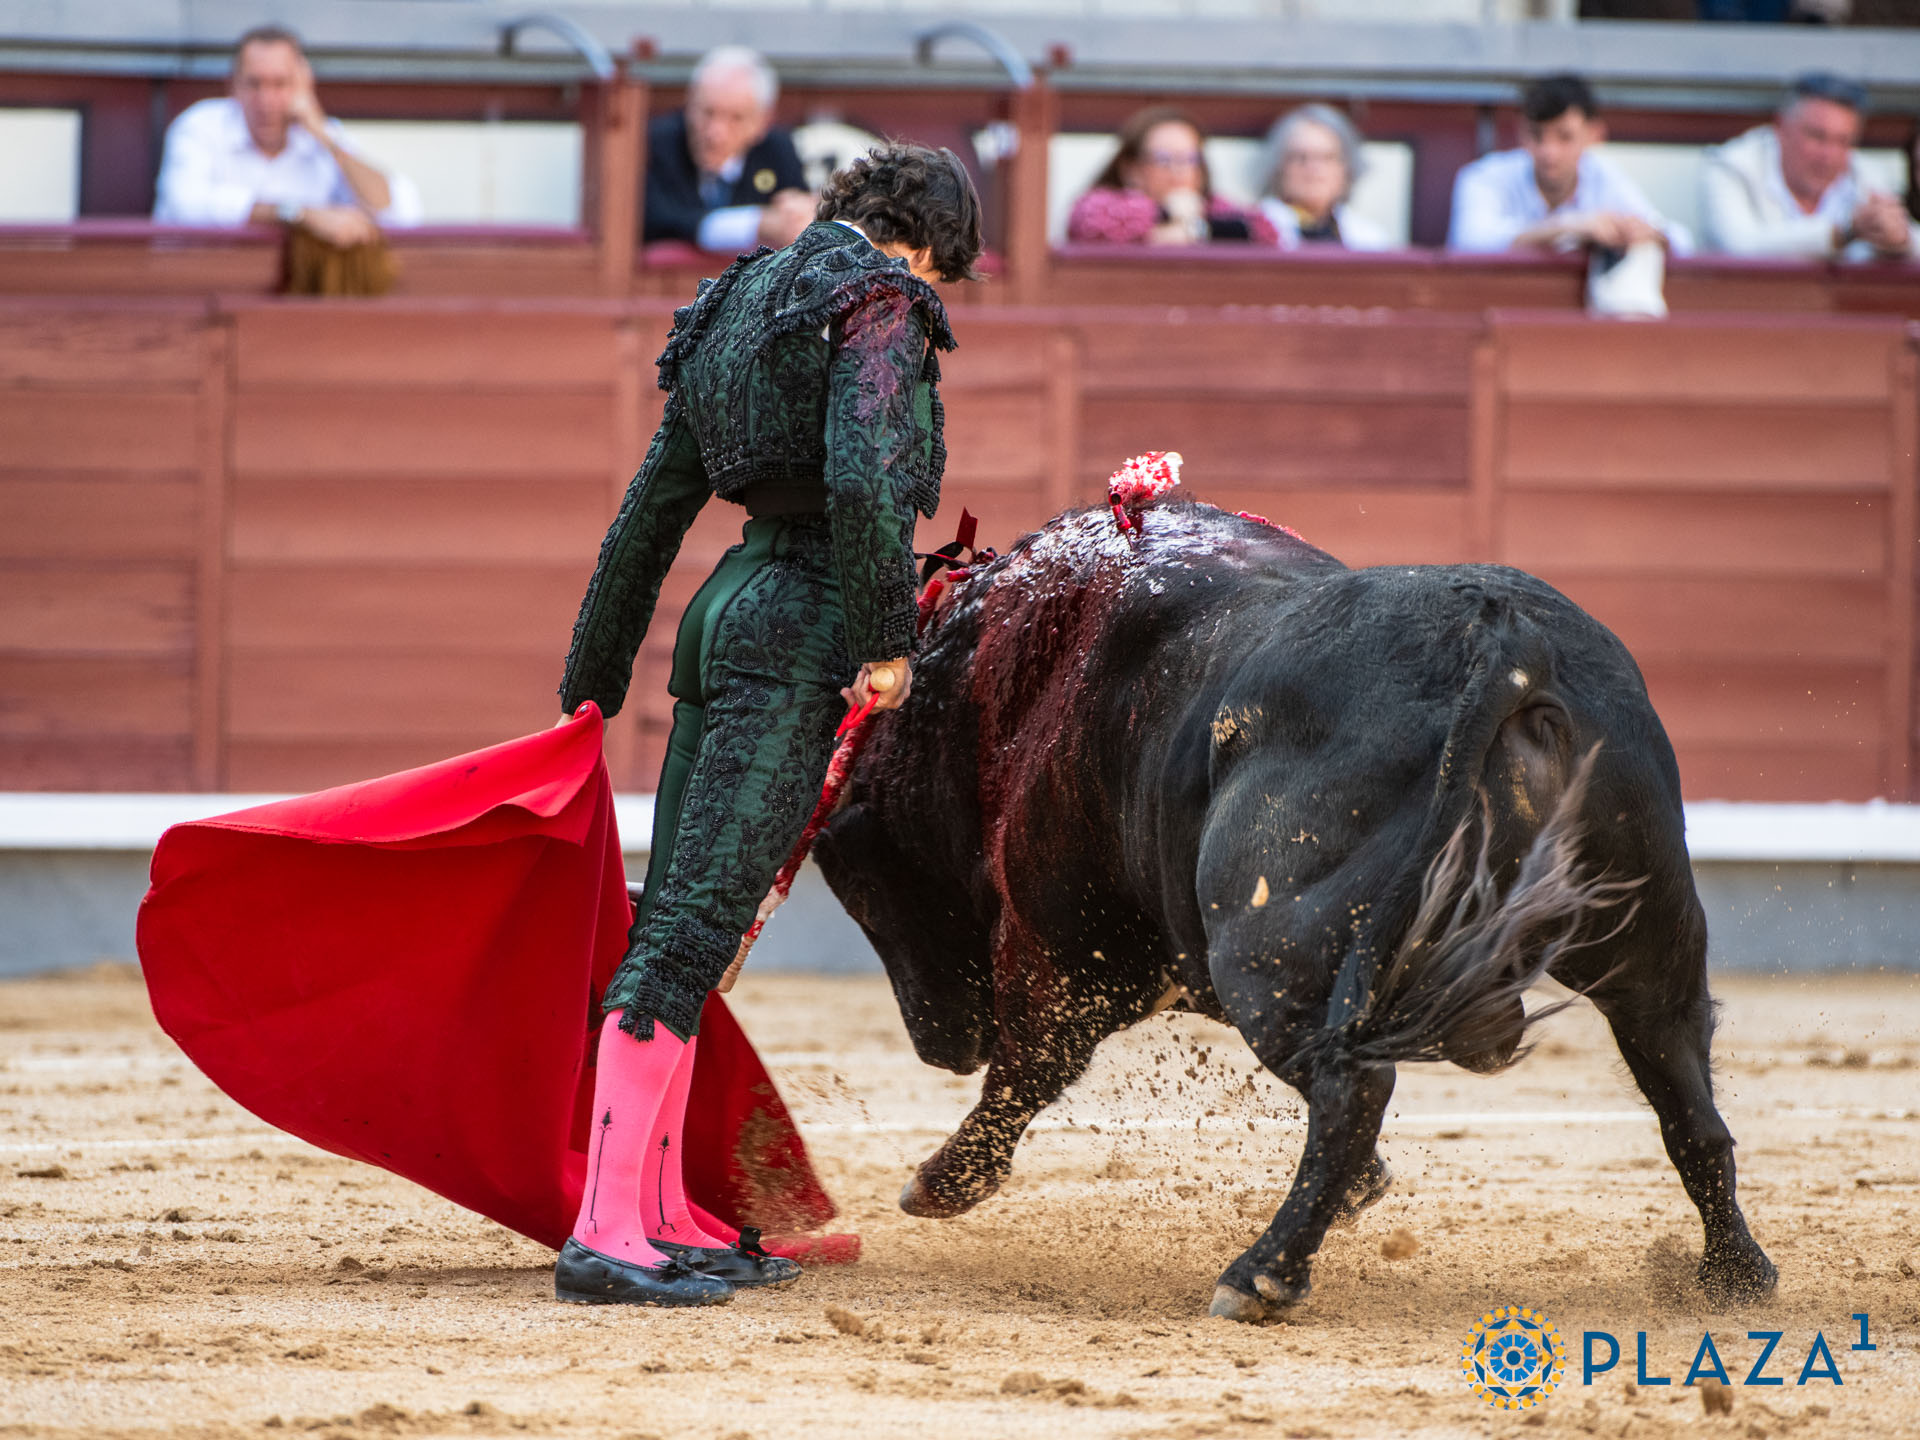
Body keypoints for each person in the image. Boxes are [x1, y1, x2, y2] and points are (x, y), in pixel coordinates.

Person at [553, 144, 982, 1305]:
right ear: (922, 244)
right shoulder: (881, 301)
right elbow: (864, 483)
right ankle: (606, 1229)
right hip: (802, 626)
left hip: (725, 610)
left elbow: (652, 509)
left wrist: (593, 675)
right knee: (692, 929)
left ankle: (655, 1210)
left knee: (682, 919)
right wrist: (885, 644)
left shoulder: (740, 298)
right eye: (943, 269)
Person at [152, 25, 420, 246]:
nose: (266, 100)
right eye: (254, 84)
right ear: (232, 86)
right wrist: (299, 214)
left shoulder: (323, 136)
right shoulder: (201, 125)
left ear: (304, 85)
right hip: (196, 281)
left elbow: (398, 211)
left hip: (294, 290)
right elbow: (186, 205)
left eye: (280, 84)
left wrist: (322, 133)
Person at [1447, 74, 1690, 256]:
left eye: (1564, 137)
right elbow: (1470, 242)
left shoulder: (1603, 175)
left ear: (1594, 134)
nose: (1548, 152)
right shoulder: (1484, 176)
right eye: (1537, 135)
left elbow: (1681, 240)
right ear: (1521, 133)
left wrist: (1647, 234)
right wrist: (1568, 226)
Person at [1700, 73, 1917, 260]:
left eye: (1843, 141)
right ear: (1781, 127)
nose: (1829, 155)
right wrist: (1842, 232)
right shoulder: (1732, 165)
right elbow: (1738, 246)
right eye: (1817, 137)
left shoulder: (1867, 174)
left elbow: (1906, 239)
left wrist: (1900, 241)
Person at [644, 46, 813, 252]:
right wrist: (757, 224)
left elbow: (798, 217)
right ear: (689, 105)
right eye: (708, 113)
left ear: (763, 121)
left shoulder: (777, 149)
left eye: (736, 118)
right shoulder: (657, 143)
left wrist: (800, 214)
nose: (716, 134)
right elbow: (657, 222)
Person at [1067, 107, 1278, 247]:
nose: (1178, 170)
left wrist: (1196, 230)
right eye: (1164, 159)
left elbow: (1267, 230)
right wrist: (1165, 214)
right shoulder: (1102, 205)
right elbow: (1089, 220)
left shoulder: (1211, 207)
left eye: (1189, 159)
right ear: (1132, 169)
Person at [1258, 104, 1392, 251]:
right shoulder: (1253, 232)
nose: (1313, 168)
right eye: (1301, 157)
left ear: (1346, 169)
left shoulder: (1370, 240)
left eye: (1327, 157)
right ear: (1279, 167)